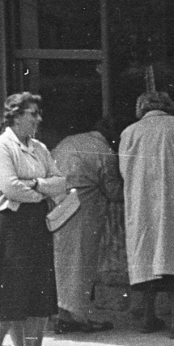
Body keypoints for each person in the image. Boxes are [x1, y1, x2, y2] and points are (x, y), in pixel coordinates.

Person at [0, 92, 68, 346]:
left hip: (36, 222)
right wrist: (40, 190)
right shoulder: (0, 146)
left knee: (39, 290)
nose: (38, 119)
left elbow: (61, 182)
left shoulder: (40, 148)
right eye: (33, 113)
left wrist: (33, 184)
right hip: (9, 221)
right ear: (16, 115)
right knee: (12, 288)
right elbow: (9, 188)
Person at [119, 90, 174, 339]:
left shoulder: (129, 132)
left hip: (141, 203)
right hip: (173, 202)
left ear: (141, 109)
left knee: (146, 257)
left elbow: (124, 171)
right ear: (168, 107)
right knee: (173, 257)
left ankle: (148, 317)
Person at [51, 112, 122, 333]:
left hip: (59, 206)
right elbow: (113, 191)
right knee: (82, 264)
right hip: (84, 211)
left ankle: (63, 314)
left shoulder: (68, 141)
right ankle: (80, 318)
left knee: (62, 263)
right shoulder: (104, 151)